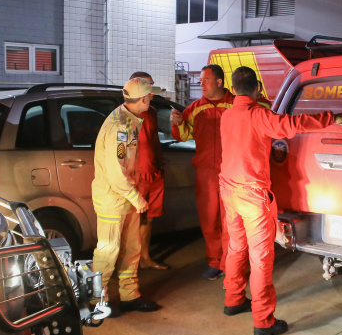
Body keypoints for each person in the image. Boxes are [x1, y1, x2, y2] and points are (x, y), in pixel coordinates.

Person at [219, 66, 342, 335]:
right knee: (261, 258)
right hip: (253, 196)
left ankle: (233, 299)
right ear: (257, 89)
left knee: (235, 247)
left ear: (232, 90)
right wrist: (333, 117)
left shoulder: (227, 115)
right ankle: (264, 322)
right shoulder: (259, 115)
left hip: (229, 192)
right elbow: (293, 125)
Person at [90, 77, 162, 318]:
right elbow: (116, 172)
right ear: (142, 99)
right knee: (108, 251)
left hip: (125, 198)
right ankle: (96, 301)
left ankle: (130, 296)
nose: (152, 99)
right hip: (114, 199)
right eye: (150, 95)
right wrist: (137, 197)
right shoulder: (120, 127)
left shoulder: (129, 120)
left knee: (131, 248)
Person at [170, 64, 234, 281]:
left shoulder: (237, 105)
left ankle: (230, 263)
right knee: (209, 219)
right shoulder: (196, 107)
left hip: (232, 172)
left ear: (219, 82)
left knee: (231, 221)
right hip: (206, 173)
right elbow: (182, 135)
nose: (201, 84)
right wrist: (177, 123)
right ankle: (215, 262)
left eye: (206, 80)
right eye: (201, 80)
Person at [129, 71, 168, 270]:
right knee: (133, 221)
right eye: (149, 86)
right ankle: (130, 263)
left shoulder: (151, 111)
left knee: (149, 220)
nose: (152, 90)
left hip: (154, 173)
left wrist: (159, 163)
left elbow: (154, 139)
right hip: (137, 175)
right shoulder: (126, 114)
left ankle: (145, 257)